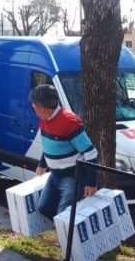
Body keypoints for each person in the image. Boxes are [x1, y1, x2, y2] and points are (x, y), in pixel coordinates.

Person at [29, 84, 98, 220]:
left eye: (33, 103)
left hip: (73, 177)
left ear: (42, 107)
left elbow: (91, 153)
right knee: (44, 208)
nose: (32, 106)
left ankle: (66, 238)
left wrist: (91, 183)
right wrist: (42, 164)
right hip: (54, 175)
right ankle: (62, 232)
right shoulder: (43, 119)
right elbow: (49, 145)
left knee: (64, 216)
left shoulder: (69, 121)